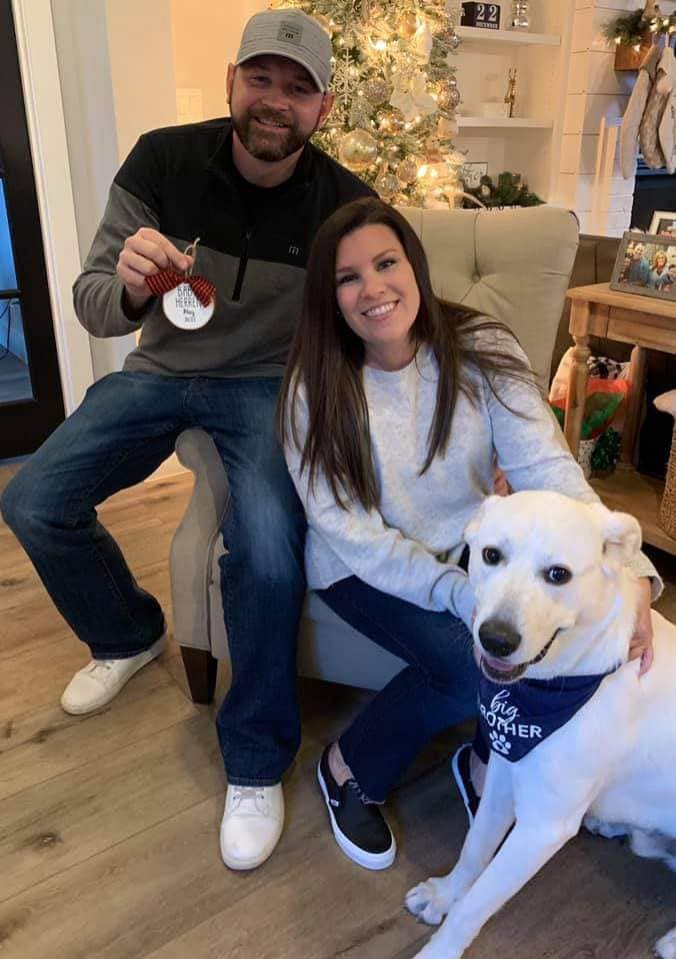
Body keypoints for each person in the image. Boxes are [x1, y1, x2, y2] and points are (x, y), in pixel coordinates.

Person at [0, 9, 375, 872]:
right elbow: (94, 302)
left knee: (269, 549)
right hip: (160, 369)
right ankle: (127, 633)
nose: (275, 100)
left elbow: (376, 328)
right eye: (261, 78)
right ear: (232, 81)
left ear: (322, 108)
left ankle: (256, 760)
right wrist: (130, 289)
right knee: (33, 499)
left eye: (298, 88)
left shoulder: (349, 206)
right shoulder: (161, 161)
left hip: (264, 388)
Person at [278, 198, 661, 870]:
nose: (373, 288)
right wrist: (459, 594)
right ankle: (348, 768)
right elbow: (352, 533)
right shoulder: (314, 388)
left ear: (415, 266)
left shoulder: (482, 347)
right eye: (348, 277)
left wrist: (629, 573)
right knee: (466, 668)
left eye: (386, 263)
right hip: (358, 565)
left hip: (475, 547)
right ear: (329, 296)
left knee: (555, 631)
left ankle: (487, 758)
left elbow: (546, 467)